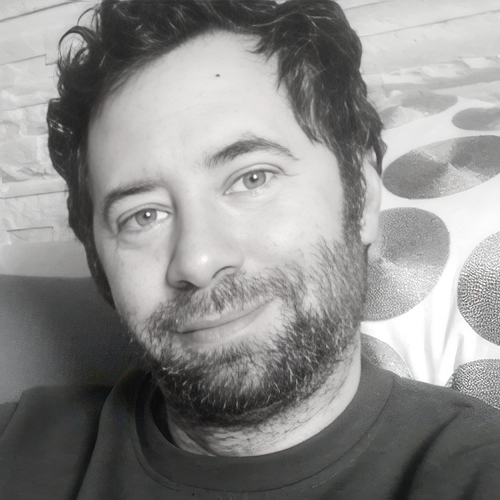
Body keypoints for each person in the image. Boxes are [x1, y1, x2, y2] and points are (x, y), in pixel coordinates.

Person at [1, 0, 500, 498]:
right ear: (99, 264)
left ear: (362, 196)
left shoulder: (473, 469)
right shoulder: (16, 448)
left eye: (252, 178)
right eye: (143, 215)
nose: (198, 261)